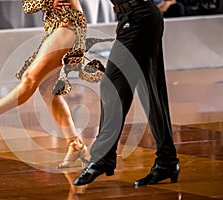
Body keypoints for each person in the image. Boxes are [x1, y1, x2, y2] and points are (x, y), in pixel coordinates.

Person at [0, 0, 97, 169]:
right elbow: (29, 6)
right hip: (56, 26)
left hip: (69, 22)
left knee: (30, 79)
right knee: (47, 90)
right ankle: (75, 145)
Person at [54, 0, 180, 186]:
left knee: (112, 85)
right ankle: (166, 161)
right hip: (132, 18)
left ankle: (102, 157)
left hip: (140, 18)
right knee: (151, 92)